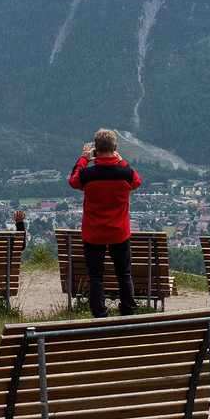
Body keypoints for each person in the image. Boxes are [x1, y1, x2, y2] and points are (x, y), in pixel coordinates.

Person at [68, 128, 141, 316]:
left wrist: (84, 158)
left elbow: (73, 181)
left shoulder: (88, 175)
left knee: (95, 276)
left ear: (96, 149)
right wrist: (121, 160)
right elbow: (137, 181)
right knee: (124, 274)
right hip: (119, 232)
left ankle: (99, 313)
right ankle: (127, 309)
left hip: (94, 233)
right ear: (115, 148)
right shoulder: (125, 174)